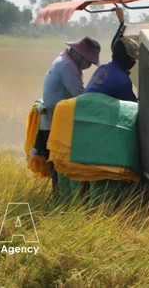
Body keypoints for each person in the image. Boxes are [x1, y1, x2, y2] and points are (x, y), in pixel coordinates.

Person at [34, 36, 101, 190]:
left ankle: (59, 199)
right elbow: (79, 95)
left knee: (58, 165)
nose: (89, 65)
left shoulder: (63, 60)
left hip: (53, 119)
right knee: (61, 165)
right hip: (55, 122)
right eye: (89, 61)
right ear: (80, 55)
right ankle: (61, 200)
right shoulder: (68, 67)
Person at [84, 36, 139, 102]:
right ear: (125, 57)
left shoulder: (101, 68)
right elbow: (132, 106)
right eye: (133, 58)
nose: (134, 61)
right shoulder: (122, 79)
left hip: (83, 107)